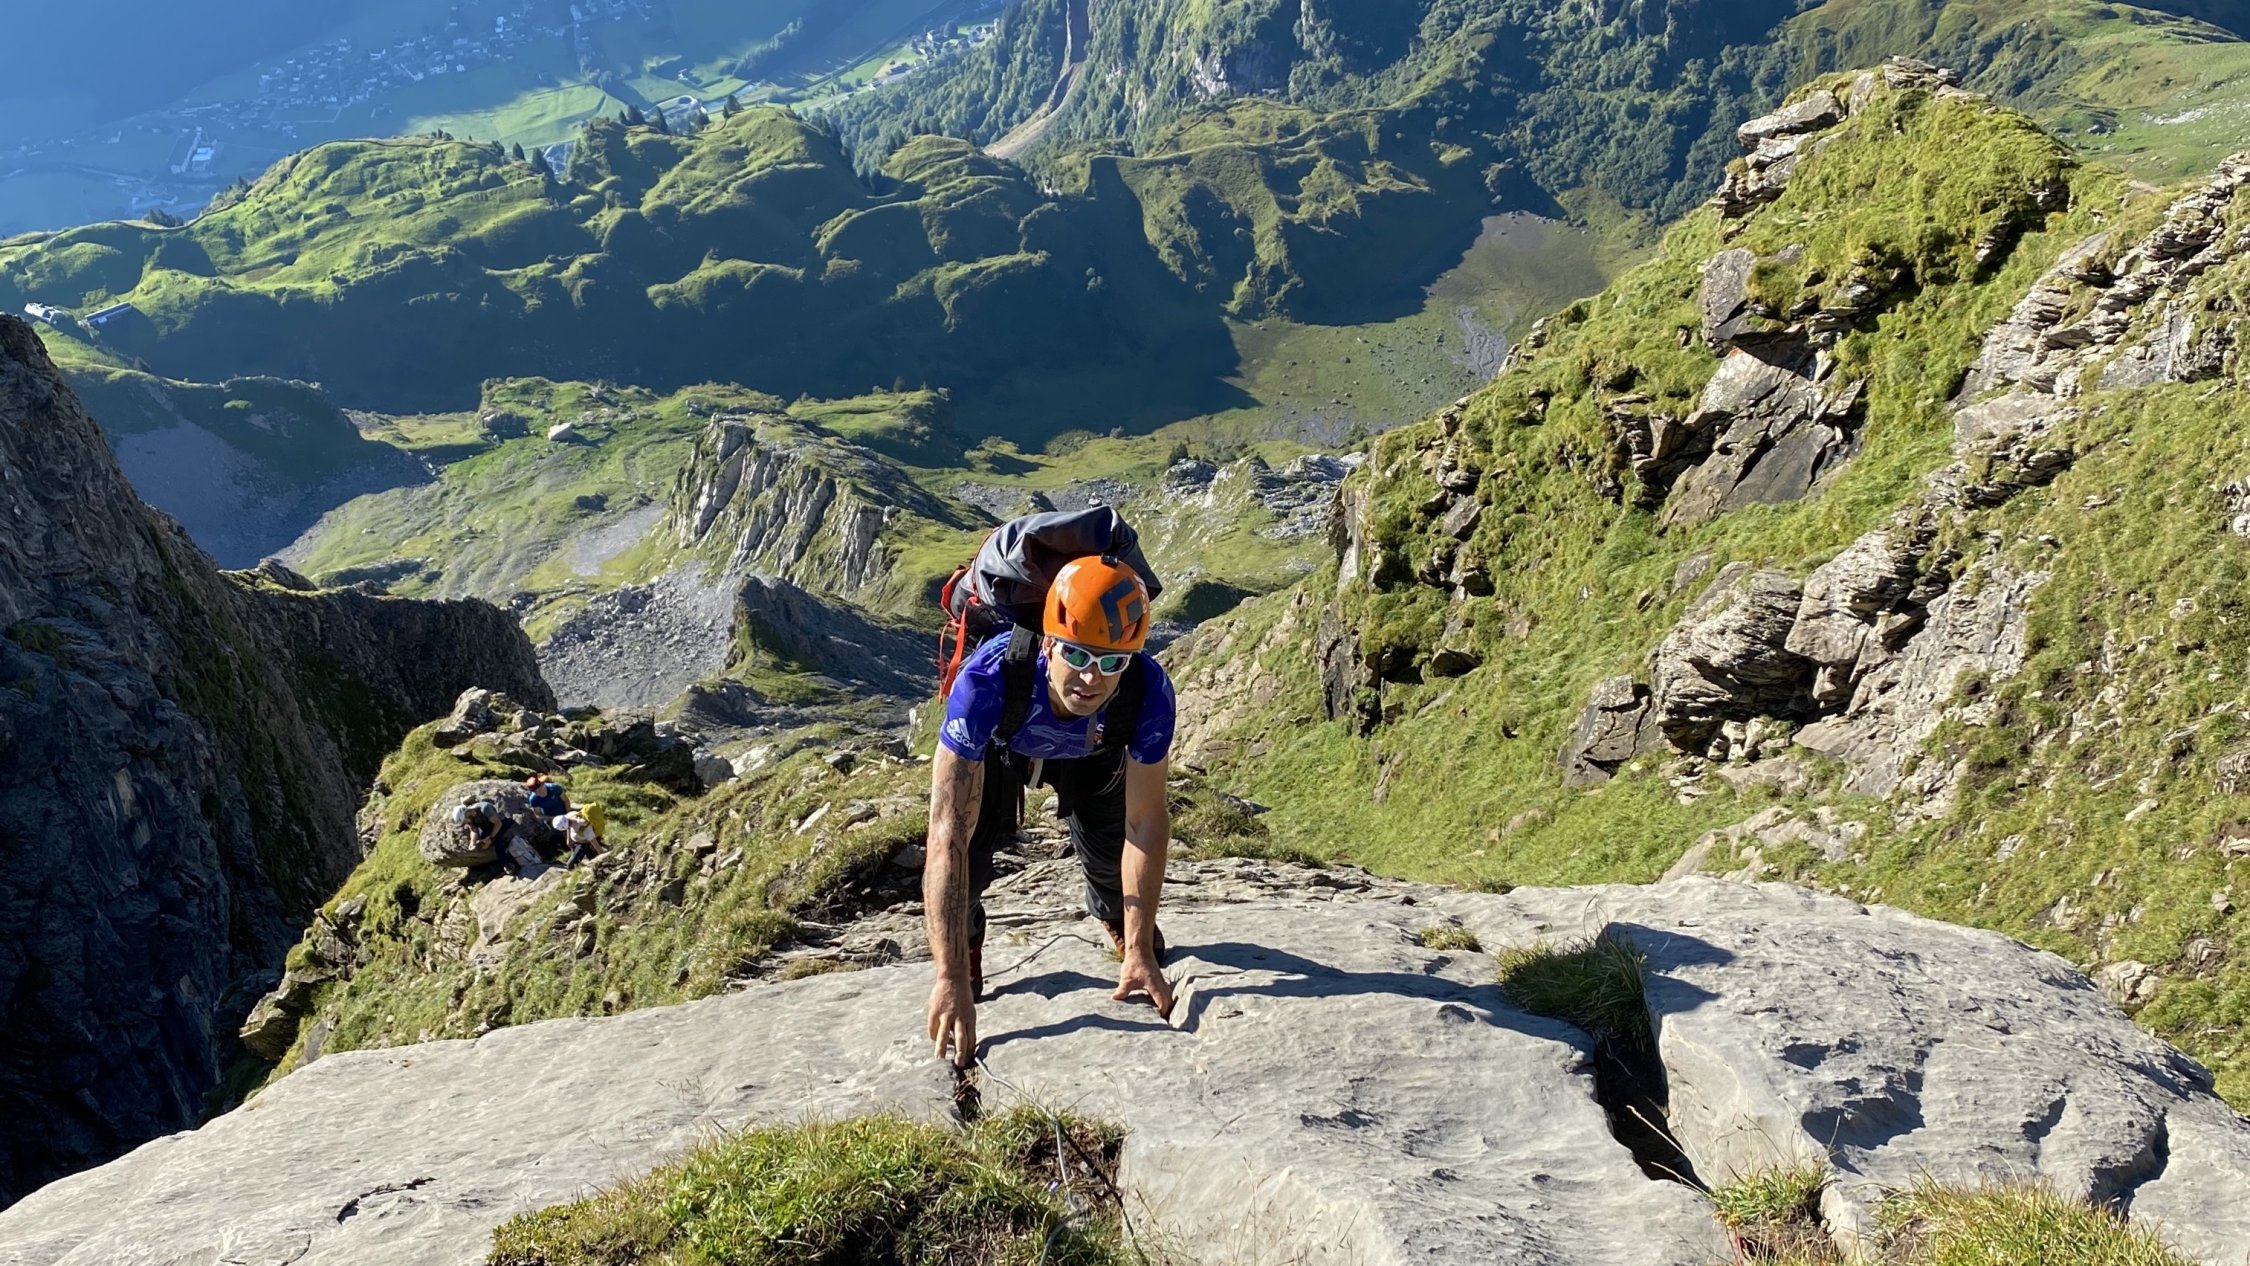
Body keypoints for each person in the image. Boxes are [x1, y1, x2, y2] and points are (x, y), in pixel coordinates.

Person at [924, 554, 1177, 1068]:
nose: (1091, 677)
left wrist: (1139, 948)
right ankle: (966, 942)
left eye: (1112, 663)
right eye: (1077, 655)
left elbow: (1145, 821)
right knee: (970, 860)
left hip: (1096, 750)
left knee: (1110, 860)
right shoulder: (989, 679)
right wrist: (949, 977)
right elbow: (947, 830)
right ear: (1047, 643)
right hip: (1002, 748)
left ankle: (1117, 920)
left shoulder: (1147, 690)